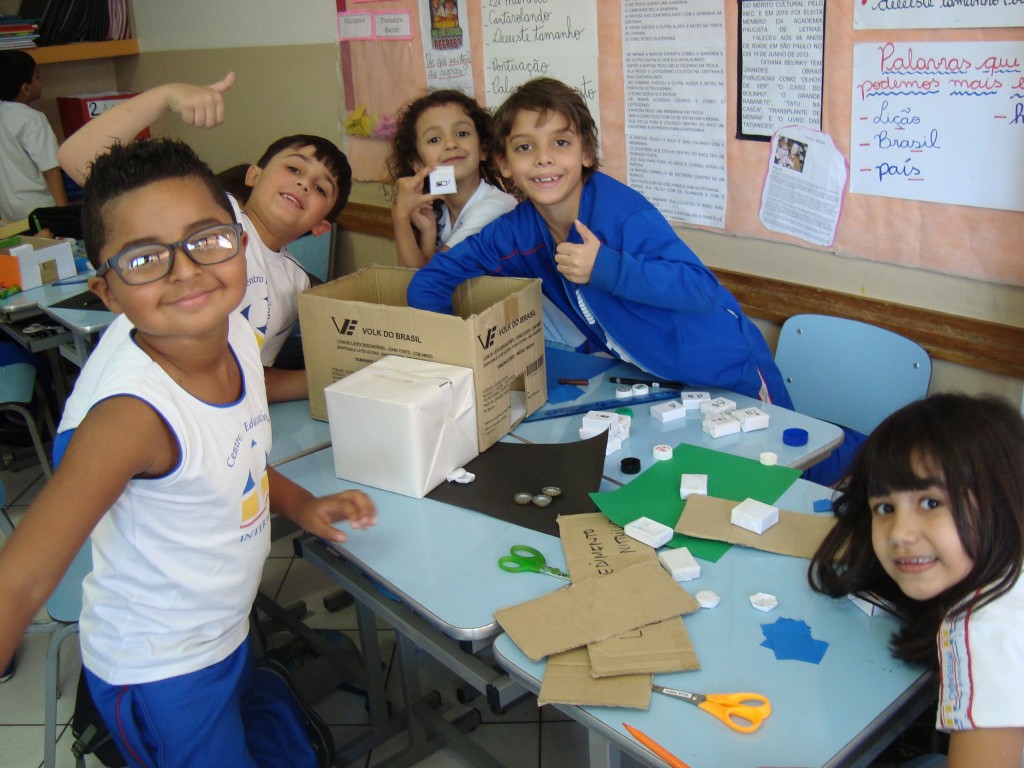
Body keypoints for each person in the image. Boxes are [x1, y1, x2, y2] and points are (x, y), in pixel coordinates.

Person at [0, 137, 376, 767]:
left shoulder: (234, 331)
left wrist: (303, 504)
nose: (185, 269)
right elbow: (21, 580)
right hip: (161, 669)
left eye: (206, 239)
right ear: (108, 293)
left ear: (240, 242)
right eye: (144, 258)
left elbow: (240, 455)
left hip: (224, 632)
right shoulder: (130, 417)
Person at [407, 77, 792, 409]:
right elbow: (430, 282)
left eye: (560, 143)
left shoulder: (620, 213)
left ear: (587, 153)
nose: (544, 159)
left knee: (800, 466)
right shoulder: (515, 231)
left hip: (724, 367)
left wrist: (606, 267)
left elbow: (701, 289)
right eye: (525, 147)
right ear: (504, 164)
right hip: (659, 384)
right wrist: (457, 363)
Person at [57, 71, 352, 403]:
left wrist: (337, 380)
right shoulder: (216, 216)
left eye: (320, 188)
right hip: (148, 399)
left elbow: (246, 375)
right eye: (295, 169)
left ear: (320, 227)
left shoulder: (295, 282)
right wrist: (165, 95)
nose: (303, 184)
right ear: (254, 175)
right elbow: (76, 157)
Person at [809, 394, 1024, 768]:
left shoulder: (985, 628)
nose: (900, 534)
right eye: (886, 508)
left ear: (1001, 499)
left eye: (931, 503)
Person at [386, 88, 516, 268]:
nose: (450, 144)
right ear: (417, 163)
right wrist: (429, 235)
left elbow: (421, 282)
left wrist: (400, 216)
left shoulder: (496, 208)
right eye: (434, 139)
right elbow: (422, 284)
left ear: (483, 149)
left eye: (462, 134)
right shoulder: (441, 213)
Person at [0, 50, 69, 222]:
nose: (40, 82)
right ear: (26, 88)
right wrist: (64, 213)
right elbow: (51, 169)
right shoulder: (33, 119)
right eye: (37, 77)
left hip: (8, 211)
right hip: (39, 208)